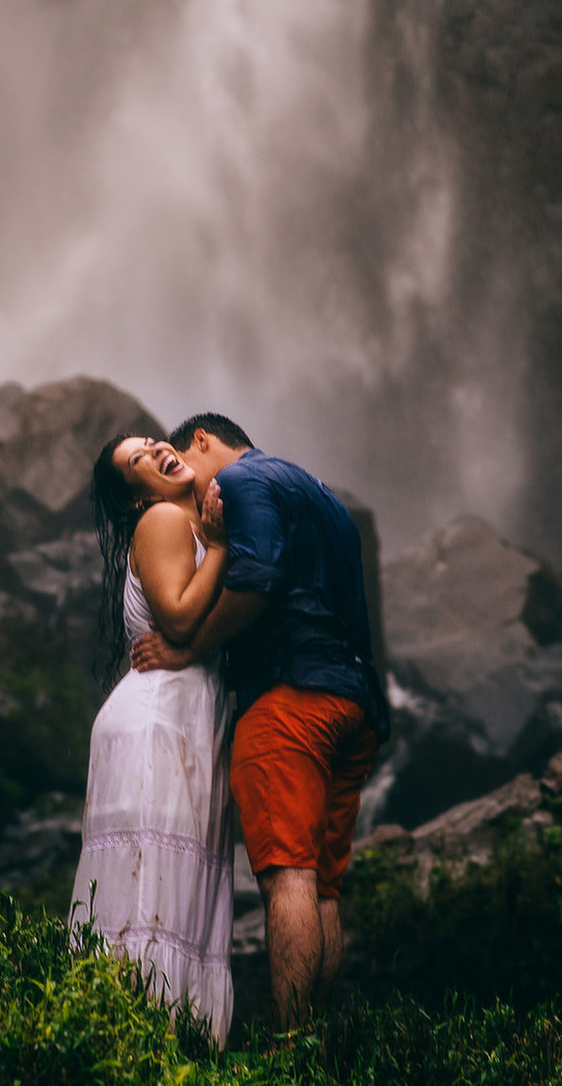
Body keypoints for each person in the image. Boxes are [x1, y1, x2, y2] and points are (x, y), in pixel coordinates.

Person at [132, 413, 389, 1030]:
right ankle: (316, 1049)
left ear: (203, 441)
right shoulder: (321, 494)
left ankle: (293, 1046)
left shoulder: (243, 482)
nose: (196, 497)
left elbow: (258, 577)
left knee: (287, 878)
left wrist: (191, 649)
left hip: (289, 699)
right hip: (353, 705)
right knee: (324, 888)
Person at [69, 432, 235, 1048]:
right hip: (155, 728)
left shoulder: (192, 519)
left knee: (174, 897)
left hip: (182, 726)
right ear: (137, 497)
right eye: (139, 460)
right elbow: (181, 618)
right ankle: (137, 1051)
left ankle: (158, 1054)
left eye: (151, 441)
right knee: (150, 897)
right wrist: (216, 546)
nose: (159, 450)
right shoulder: (165, 520)